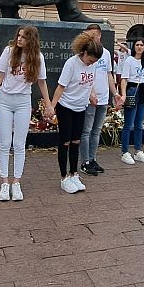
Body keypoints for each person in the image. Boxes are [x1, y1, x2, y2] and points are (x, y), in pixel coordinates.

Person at [0, 26, 52, 201]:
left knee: (19, 144)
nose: (19, 39)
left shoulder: (38, 57)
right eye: (18, 35)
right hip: (5, 100)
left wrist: (49, 104)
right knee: (5, 143)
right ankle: (4, 183)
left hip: (23, 101)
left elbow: (42, 83)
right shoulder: (9, 51)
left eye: (23, 37)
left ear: (31, 40)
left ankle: (16, 182)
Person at [48, 32, 102, 193]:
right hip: (66, 106)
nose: (91, 63)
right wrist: (52, 107)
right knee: (65, 142)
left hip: (81, 107)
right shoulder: (71, 64)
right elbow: (60, 87)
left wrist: (92, 94)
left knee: (76, 142)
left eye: (94, 62)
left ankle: (74, 173)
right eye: (90, 59)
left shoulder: (92, 65)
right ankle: (64, 177)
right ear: (84, 53)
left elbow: (89, 82)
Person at [78, 24, 121, 177]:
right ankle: (85, 161)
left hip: (103, 98)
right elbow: (84, 76)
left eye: (92, 36)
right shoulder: (84, 54)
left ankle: (93, 158)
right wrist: (91, 93)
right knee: (86, 131)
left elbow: (109, 75)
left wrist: (115, 93)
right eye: (87, 36)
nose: (90, 38)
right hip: (89, 98)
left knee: (96, 131)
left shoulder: (107, 54)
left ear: (99, 36)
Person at [119, 39, 144, 165]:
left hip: (142, 90)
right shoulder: (129, 60)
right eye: (137, 45)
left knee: (139, 124)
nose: (139, 47)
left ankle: (138, 150)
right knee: (129, 123)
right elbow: (124, 79)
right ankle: (125, 151)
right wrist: (124, 94)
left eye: (141, 45)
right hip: (132, 89)